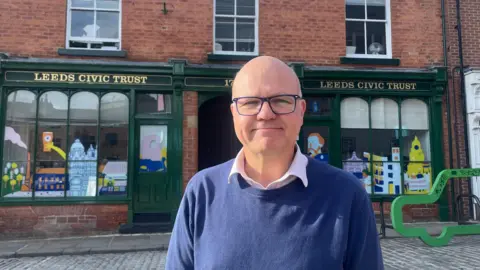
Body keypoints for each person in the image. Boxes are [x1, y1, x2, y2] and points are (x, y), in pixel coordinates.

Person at [166, 56, 384, 270]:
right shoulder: (202, 191)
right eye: (250, 102)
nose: (265, 114)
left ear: (301, 111)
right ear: (234, 114)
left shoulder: (347, 194)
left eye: (281, 100)